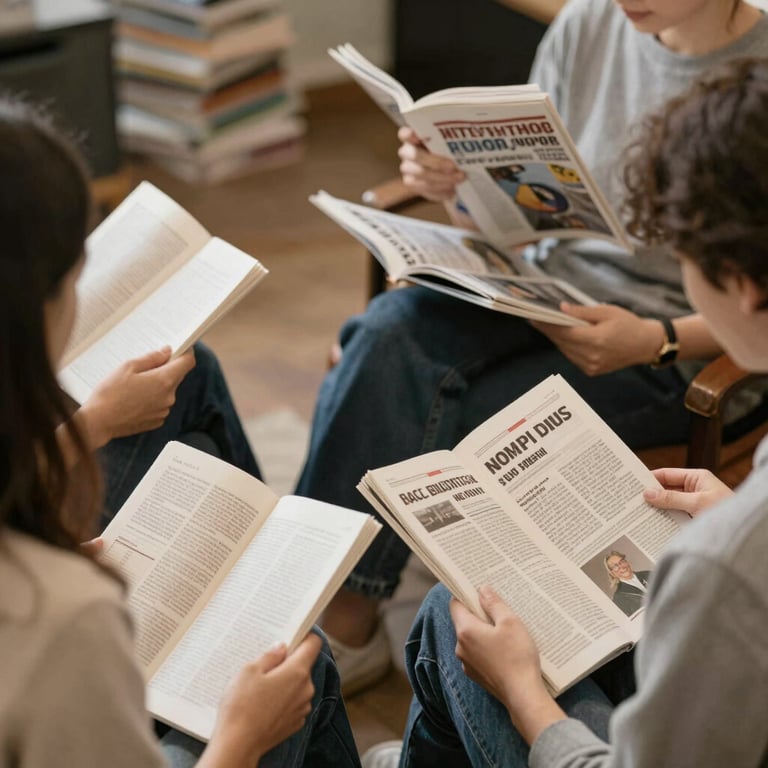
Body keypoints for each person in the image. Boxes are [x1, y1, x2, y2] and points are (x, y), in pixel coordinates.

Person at [296, 0, 768, 690]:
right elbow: (521, 216)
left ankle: (339, 619)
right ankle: (333, 607)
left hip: (684, 346)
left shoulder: (755, 87)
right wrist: (451, 188)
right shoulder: (590, 26)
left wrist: (656, 340)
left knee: (440, 405)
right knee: (385, 335)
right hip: (545, 291)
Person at [0, 99, 360, 768]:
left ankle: (262, 549)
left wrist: (94, 423)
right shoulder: (64, 619)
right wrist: (238, 740)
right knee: (285, 655)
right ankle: (270, 568)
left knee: (189, 402)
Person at [603, 551, 651, 617]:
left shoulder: (649, 573)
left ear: (627, 562)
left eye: (622, 562)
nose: (621, 567)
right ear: (612, 573)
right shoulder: (619, 598)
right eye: (615, 566)